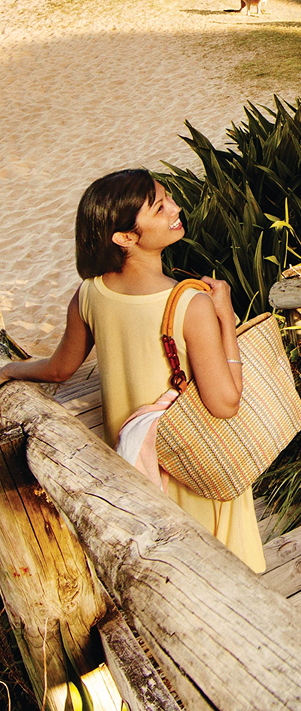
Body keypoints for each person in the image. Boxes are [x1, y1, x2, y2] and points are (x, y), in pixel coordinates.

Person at [0, 169, 265, 572]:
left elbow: (58, 370)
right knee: (224, 578)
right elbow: (225, 403)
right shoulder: (191, 305)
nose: (176, 208)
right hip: (197, 466)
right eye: (160, 207)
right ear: (124, 238)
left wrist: (10, 369)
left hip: (136, 473)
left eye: (169, 198)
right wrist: (226, 319)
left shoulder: (90, 292)